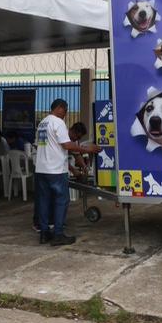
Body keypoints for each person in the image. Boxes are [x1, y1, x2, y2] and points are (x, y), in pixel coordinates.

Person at [34, 99, 101, 246]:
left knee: (44, 201)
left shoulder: (42, 123)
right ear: (59, 108)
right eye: (65, 110)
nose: (65, 114)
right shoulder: (58, 122)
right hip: (55, 170)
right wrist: (87, 149)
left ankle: (44, 233)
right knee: (62, 200)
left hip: (41, 169)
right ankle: (58, 234)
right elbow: (67, 145)